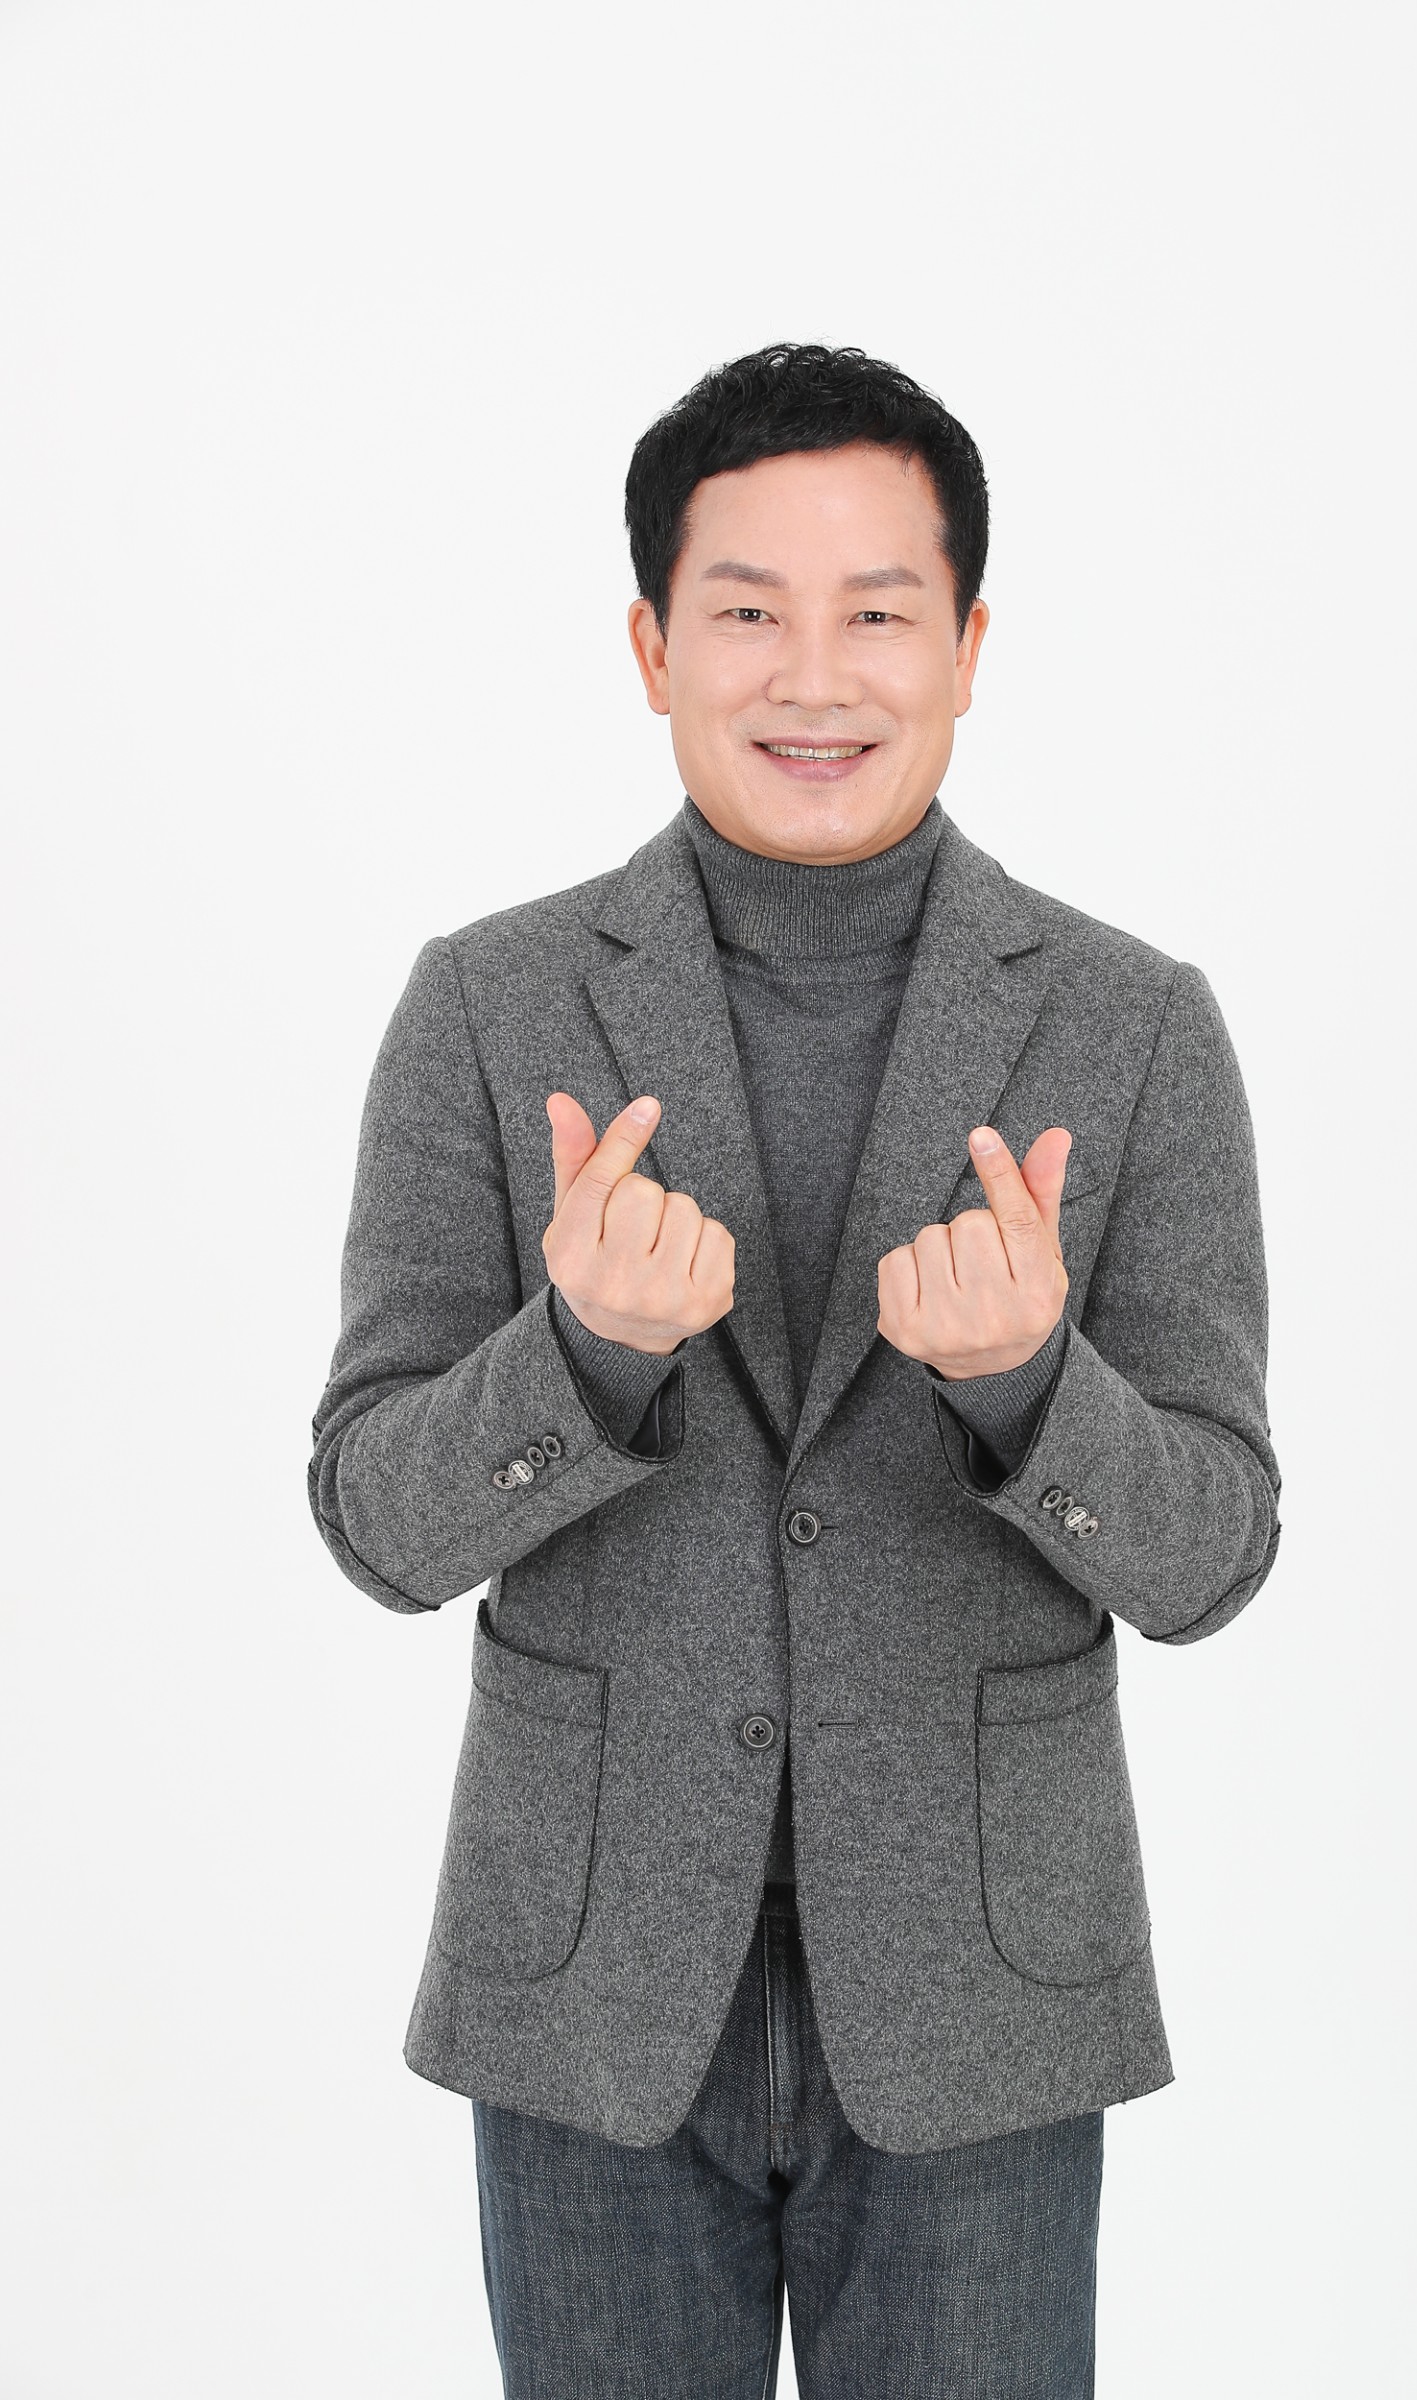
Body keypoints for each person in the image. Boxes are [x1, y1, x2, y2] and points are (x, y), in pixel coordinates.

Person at [307, 341, 1282, 2399]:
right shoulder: (485, 1007)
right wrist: (579, 1357)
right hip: (588, 1983)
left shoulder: (1133, 1026)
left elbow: (1210, 1555)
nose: (813, 677)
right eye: (747, 612)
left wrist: (1031, 1387)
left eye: (878, 615)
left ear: (970, 648)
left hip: (981, 1988)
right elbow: (378, 1522)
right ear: (652, 648)